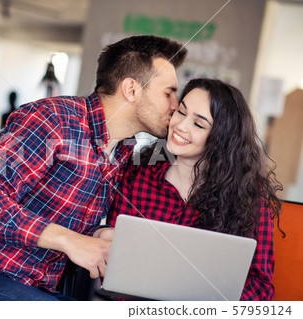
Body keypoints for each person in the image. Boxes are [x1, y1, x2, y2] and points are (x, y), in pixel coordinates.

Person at [0, 35, 188, 301]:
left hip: (33, 290)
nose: (176, 106)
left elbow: (63, 217)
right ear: (131, 89)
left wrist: (96, 235)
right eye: (169, 93)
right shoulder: (51, 119)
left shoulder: (122, 151)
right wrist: (69, 240)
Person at [107, 78, 283, 301]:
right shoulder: (138, 173)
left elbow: (260, 286)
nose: (180, 126)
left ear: (222, 139)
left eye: (198, 124)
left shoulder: (249, 195)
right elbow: (114, 262)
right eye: (181, 112)